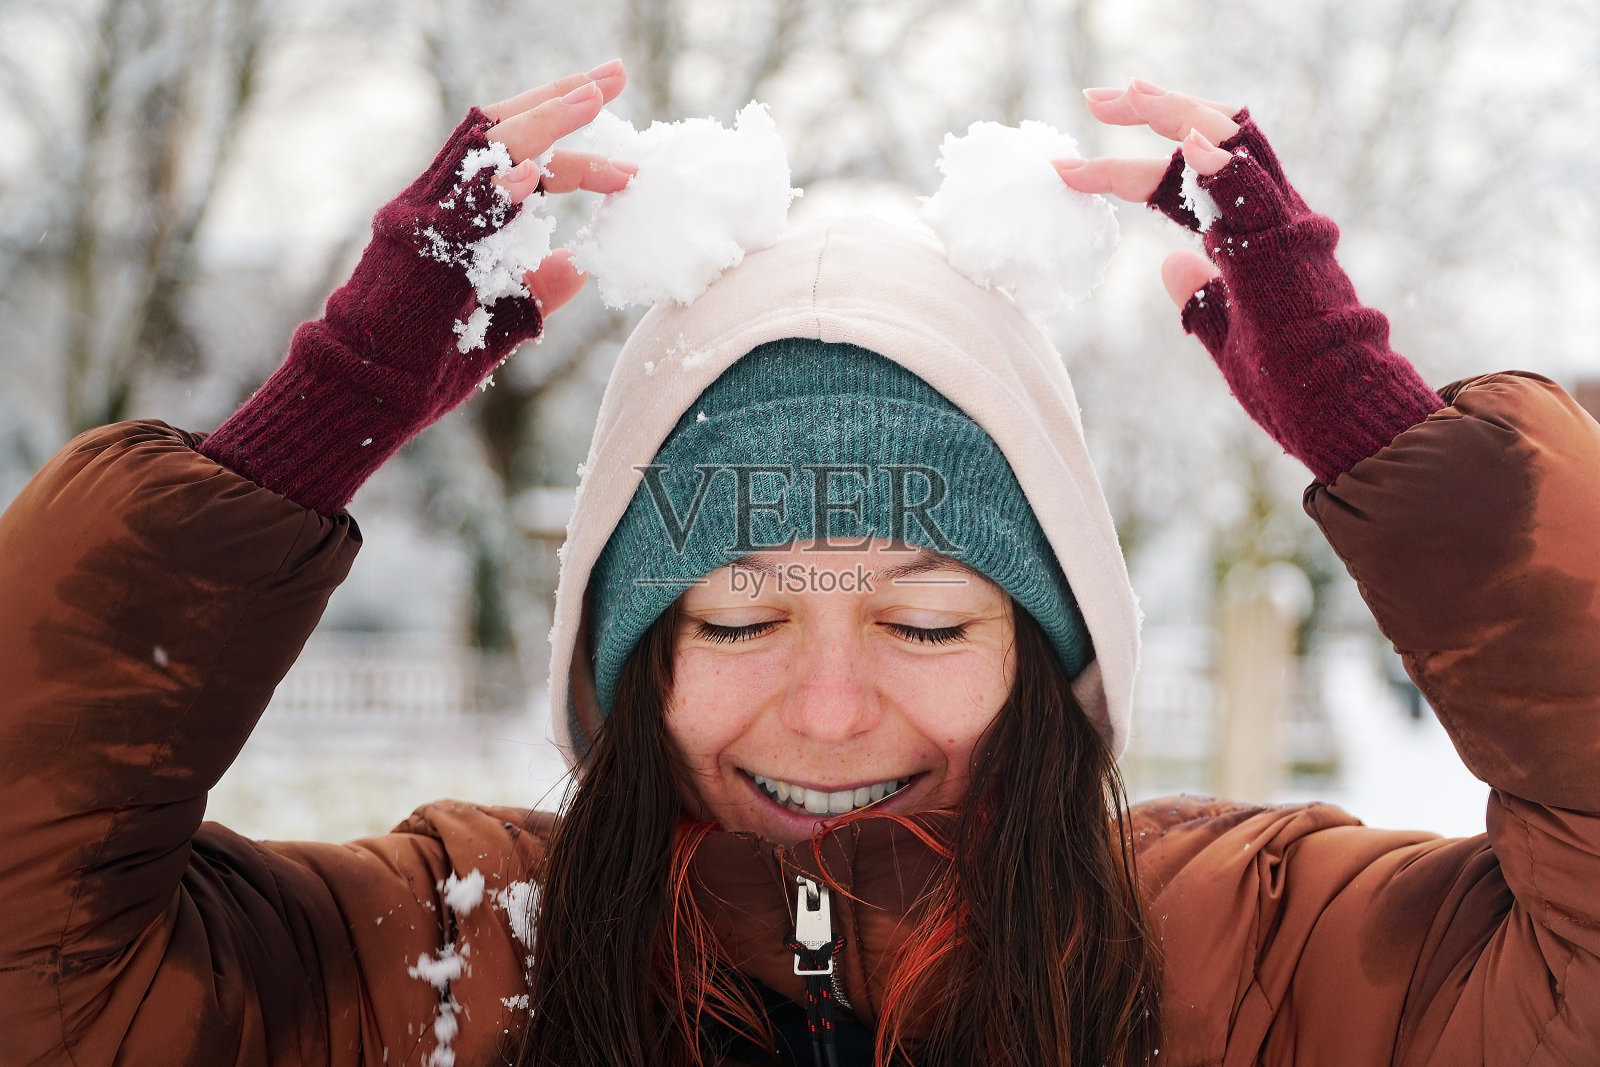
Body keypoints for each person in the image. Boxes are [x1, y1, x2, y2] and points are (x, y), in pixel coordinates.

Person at [1, 58, 1596, 1067]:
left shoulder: (1257, 959)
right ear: (635, 650)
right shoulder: (438, 966)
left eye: (927, 620)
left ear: (1048, 648)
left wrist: (1388, 440)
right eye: (740, 617)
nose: (829, 712)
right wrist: (309, 427)